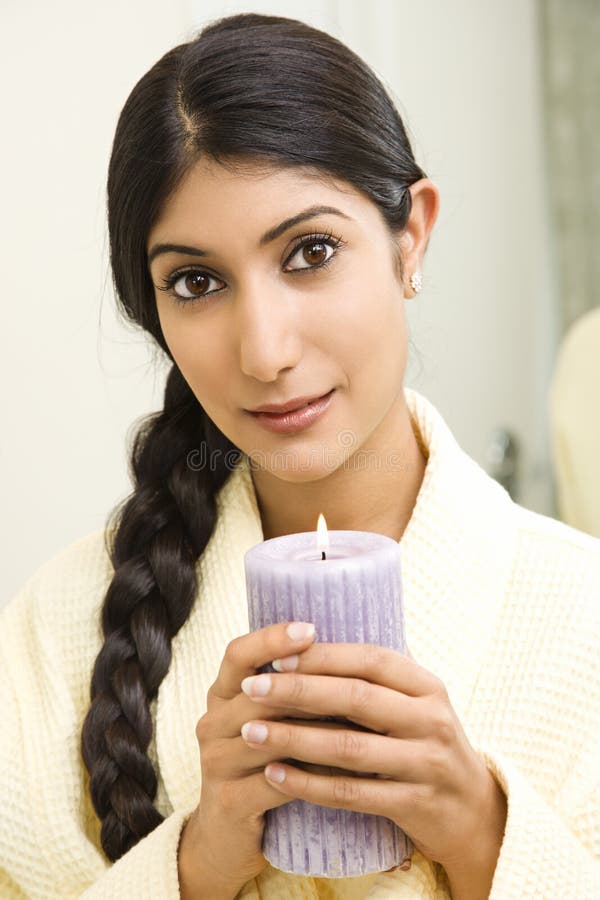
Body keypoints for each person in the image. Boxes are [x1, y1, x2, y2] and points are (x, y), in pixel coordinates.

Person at [1, 12, 598, 900]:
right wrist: (200, 862)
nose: (265, 351)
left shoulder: (582, 615)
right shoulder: (58, 632)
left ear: (412, 236)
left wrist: (482, 832)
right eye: (197, 282)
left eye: (311, 253)